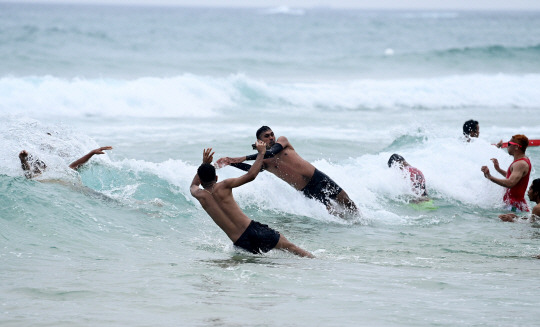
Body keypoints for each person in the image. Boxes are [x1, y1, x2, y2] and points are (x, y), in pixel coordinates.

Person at [190, 143, 313, 258]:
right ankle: (317, 262)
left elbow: (193, 185)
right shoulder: (224, 185)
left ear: (201, 180)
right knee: (291, 248)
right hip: (253, 230)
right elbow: (251, 175)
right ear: (216, 177)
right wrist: (261, 153)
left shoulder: (200, 195)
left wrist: (204, 164)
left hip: (240, 243)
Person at [215, 126, 358, 216]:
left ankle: (363, 223)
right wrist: (231, 163)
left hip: (318, 178)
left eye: (272, 134)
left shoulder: (282, 142)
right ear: (259, 141)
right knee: (333, 215)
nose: (271, 137)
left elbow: (272, 152)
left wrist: (243, 157)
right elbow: (252, 171)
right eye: (267, 136)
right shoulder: (263, 161)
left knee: (348, 203)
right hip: (307, 189)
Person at [481, 134, 532, 213]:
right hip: (514, 205)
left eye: (509, 144)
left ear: (516, 147)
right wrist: (498, 169)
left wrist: (490, 177)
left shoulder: (520, 164)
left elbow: (510, 183)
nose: (507, 146)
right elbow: (514, 178)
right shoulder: (522, 161)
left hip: (514, 207)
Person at [19, 146, 113, 178]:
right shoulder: (37, 178)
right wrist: (22, 159)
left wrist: (92, 153)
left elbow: (77, 164)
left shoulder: (56, 172)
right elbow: (28, 174)